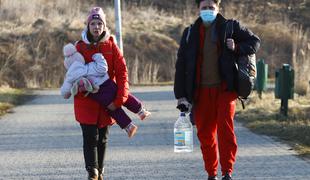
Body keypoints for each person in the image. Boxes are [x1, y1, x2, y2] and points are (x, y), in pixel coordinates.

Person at [173, 0, 260, 180]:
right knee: (205, 135)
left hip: (225, 90)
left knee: (225, 131)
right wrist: (181, 95)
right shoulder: (190, 33)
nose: (207, 11)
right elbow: (181, 65)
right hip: (200, 92)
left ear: (218, 8)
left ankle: (227, 172)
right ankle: (211, 174)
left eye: (211, 8)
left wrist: (236, 47)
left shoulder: (231, 26)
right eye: (204, 8)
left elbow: (254, 42)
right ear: (198, 9)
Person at [63, 6, 143, 180]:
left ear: (105, 26)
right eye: (93, 23)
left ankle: (100, 170)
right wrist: (77, 86)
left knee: (103, 139)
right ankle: (92, 171)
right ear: (88, 25)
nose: (96, 26)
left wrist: (120, 98)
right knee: (89, 137)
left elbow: (122, 73)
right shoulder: (79, 47)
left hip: (108, 100)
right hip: (85, 101)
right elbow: (70, 71)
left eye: (100, 23)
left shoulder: (112, 46)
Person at [60, 43, 151, 138]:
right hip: (108, 85)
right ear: (80, 58)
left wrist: (68, 90)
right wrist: (98, 57)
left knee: (114, 110)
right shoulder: (90, 66)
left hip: (98, 94)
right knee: (126, 97)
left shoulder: (70, 77)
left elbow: (64, 92)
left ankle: (128, 127)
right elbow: (103, 68)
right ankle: (141, 111)